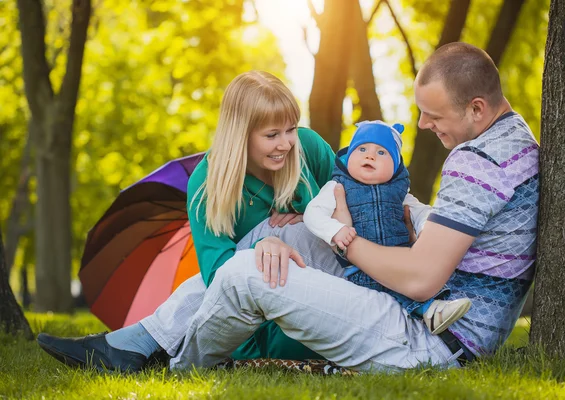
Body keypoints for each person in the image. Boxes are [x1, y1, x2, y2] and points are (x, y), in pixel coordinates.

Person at [39, 42, 539, 373]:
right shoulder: (508, 141)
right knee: (260, 245)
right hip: (425, 307)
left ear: (476, 108)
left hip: (434, 333)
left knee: (250, 269)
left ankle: (172, 362)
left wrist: (343, 235)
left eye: (433, 115)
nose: (425, 126)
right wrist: (310, 230)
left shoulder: (477, 162)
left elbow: (420, 281)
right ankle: (142, 339)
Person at [303, 119, 471, 335]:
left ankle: (425, 318)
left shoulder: (399, 194)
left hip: (399, 260)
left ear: (396, 166)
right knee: (398, 286)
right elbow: (313, 213)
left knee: (417, 277)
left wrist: (427, 232)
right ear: (349, 156)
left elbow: (422, 214)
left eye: (382, 152)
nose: (370, 155)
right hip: (361, 268)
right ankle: (431, 310)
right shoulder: (337, 187)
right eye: (361, 149)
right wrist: (334, 230)